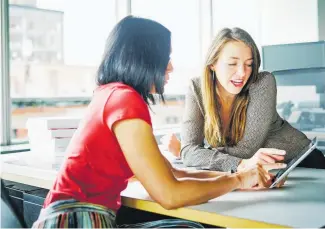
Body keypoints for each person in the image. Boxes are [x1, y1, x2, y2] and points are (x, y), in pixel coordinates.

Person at [32, 18, 286, 228]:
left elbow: (174, 173)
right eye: (166, 57)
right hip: (77, 221)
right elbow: (169, 194)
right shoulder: (125, 101)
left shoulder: (110, 94)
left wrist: (242, 177)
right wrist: (238, 181)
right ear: (144, 58)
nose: (171, 67)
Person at [161, 27, 325, 172]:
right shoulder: (197, 88)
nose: (242, 73)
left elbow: (246, 151)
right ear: (213, 64)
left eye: (249, 64)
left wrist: (190, 152)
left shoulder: (262, 83)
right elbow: (190, 152)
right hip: (258, 172)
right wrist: (188, 152)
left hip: (302, 165)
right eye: (232, 64)